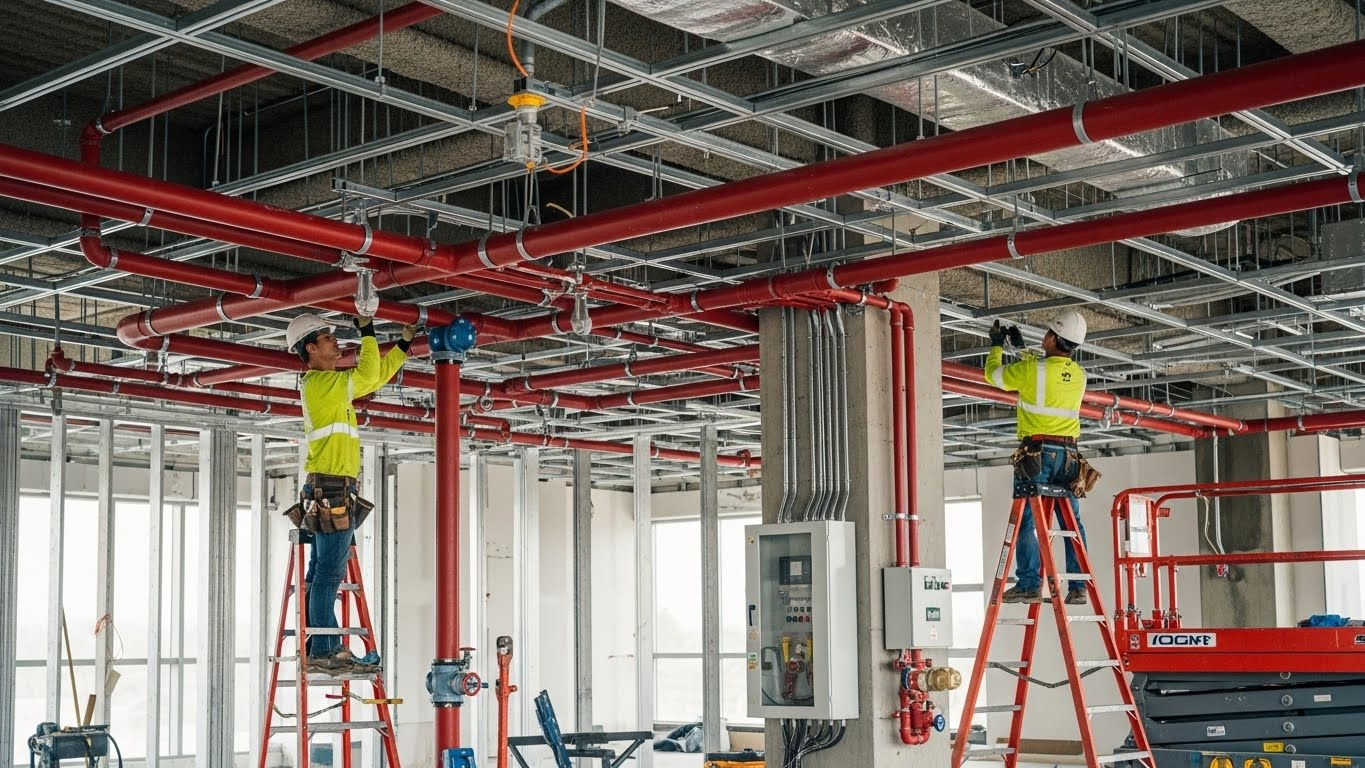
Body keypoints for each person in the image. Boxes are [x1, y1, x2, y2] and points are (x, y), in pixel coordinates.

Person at [285, 312, 416, 674]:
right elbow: (367, 373)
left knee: (321, 572)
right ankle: (326, 650)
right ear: (311, 348)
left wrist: (402, 346)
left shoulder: (327, 386)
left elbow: (371, 377)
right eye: (328, 338)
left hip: (329, 486)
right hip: (331, 486)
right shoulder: (320, 383)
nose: (336, 343)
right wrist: (368, 332)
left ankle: (319, 645)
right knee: (328, 573)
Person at [983, 310, 1090, 606]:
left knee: (1027, 520)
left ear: (1054, 337)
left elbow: (994, 376)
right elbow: (1046, 370)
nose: (1043, 336)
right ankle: (1078, 585)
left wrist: (995, 346)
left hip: (1037, 456)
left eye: (1047, 332)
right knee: (1073, 522)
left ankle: (1030, 583)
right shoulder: (1079, 375)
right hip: (1069, 458)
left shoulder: (1034, 372)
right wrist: (1018, 349)